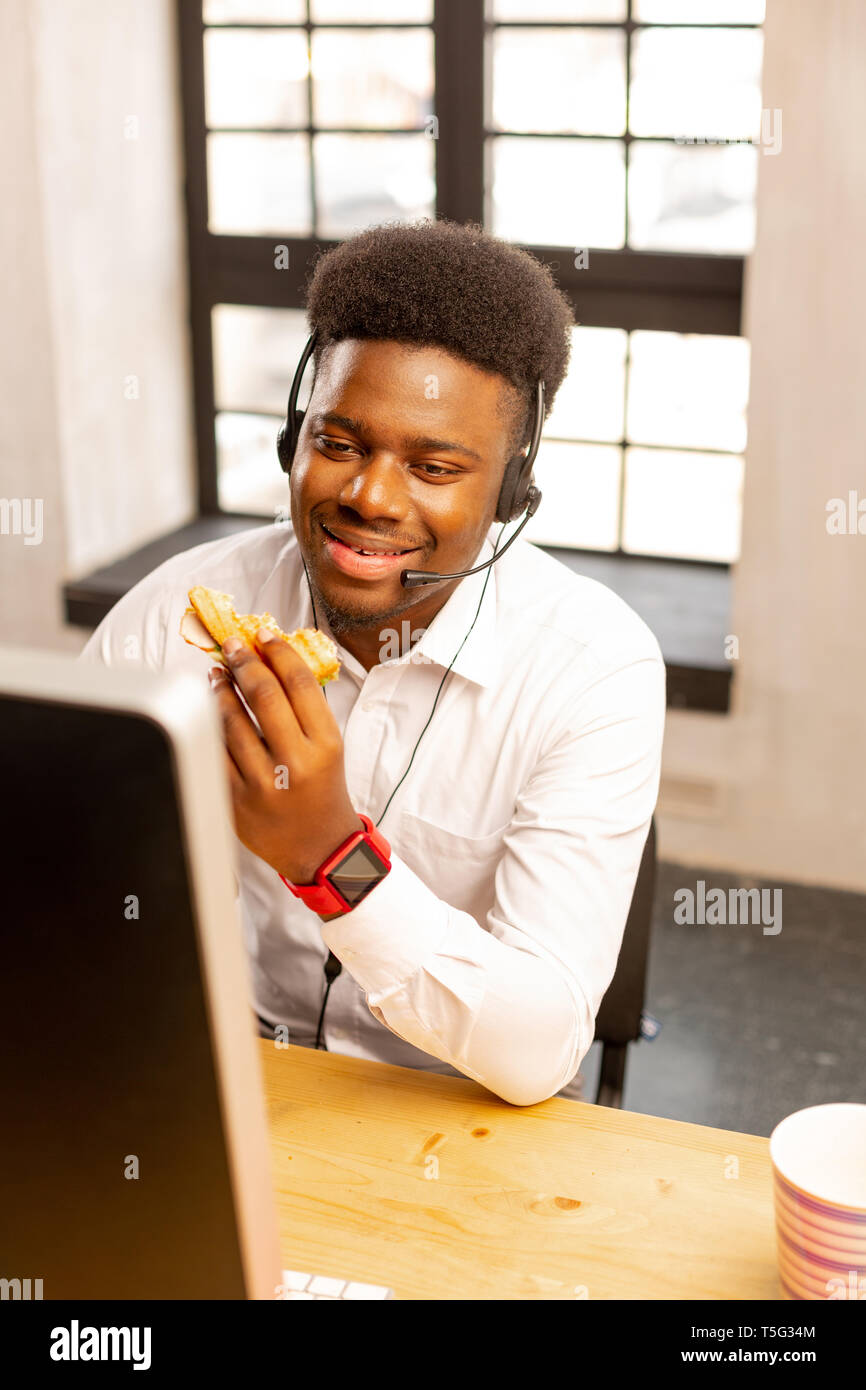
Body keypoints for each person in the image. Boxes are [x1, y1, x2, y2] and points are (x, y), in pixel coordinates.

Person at [80, 219, 665, 1108]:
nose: (369, 498)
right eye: (341, 445)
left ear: (512, 489)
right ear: (295, 436)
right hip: (234, 1075)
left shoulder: (596, 670)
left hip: (457, 1103)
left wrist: (330, 854)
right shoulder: (176, 609)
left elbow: (539, 1048)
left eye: (433, 466)